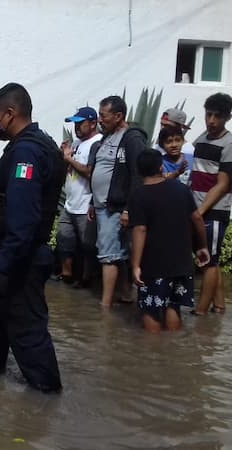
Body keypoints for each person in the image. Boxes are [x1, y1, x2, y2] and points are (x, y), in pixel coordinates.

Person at [0, 82, 66, 393]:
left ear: (10, 114)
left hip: (20, 261)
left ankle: (46, 406)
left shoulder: (27, 151)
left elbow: (23, 221)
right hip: (12, 256)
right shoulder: (29, 145)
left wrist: (4, 269)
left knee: (28, 335)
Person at [129, 149, 210, 333]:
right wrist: (202, 247)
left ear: (139, 171)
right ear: (160, 166)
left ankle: (154, 355)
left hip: (154, 265)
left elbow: (140, 229)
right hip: (181, 263)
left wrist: (135, 265)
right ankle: (172, 351)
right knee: (173, 306)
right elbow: (197, 218)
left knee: (152, 309)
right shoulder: (181, 189)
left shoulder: (139, 195)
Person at [87, 95, 149, 307]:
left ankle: (105, 306)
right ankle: (125, 294)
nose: (100, 120)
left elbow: (137, 175)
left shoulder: (132, 139)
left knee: (109, 255)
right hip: (101, 205)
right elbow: (98, 171)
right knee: (116, 253)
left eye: (103, 116)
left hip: (116, 207)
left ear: (118, 116)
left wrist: (128, 210)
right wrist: (91, 202)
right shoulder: (106, 138)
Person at [190, 92, 232, 315]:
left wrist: (200, 211)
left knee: (210, 261)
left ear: (227, 117)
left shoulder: (229, 143)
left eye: (217, 116)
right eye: (208, 115)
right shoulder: (202, 138)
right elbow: (196, 174)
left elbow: (223, 184)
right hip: (197, 209)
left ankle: (201, 312)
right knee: (208, 259)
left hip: (214, 211)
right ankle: (220, 304)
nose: (211, 121)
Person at [58, 106, 102, 288]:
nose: (76, 127)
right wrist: (64, 157)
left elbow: (91, 173)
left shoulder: (97, 143)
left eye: (80, 123)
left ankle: (86, 279)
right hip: (70, 203)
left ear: (93, 123)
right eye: (75, 124)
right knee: (64, 239)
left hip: (86, 204)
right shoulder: (76, 144)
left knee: (87, 245)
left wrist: (69, 159)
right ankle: (66, 274)